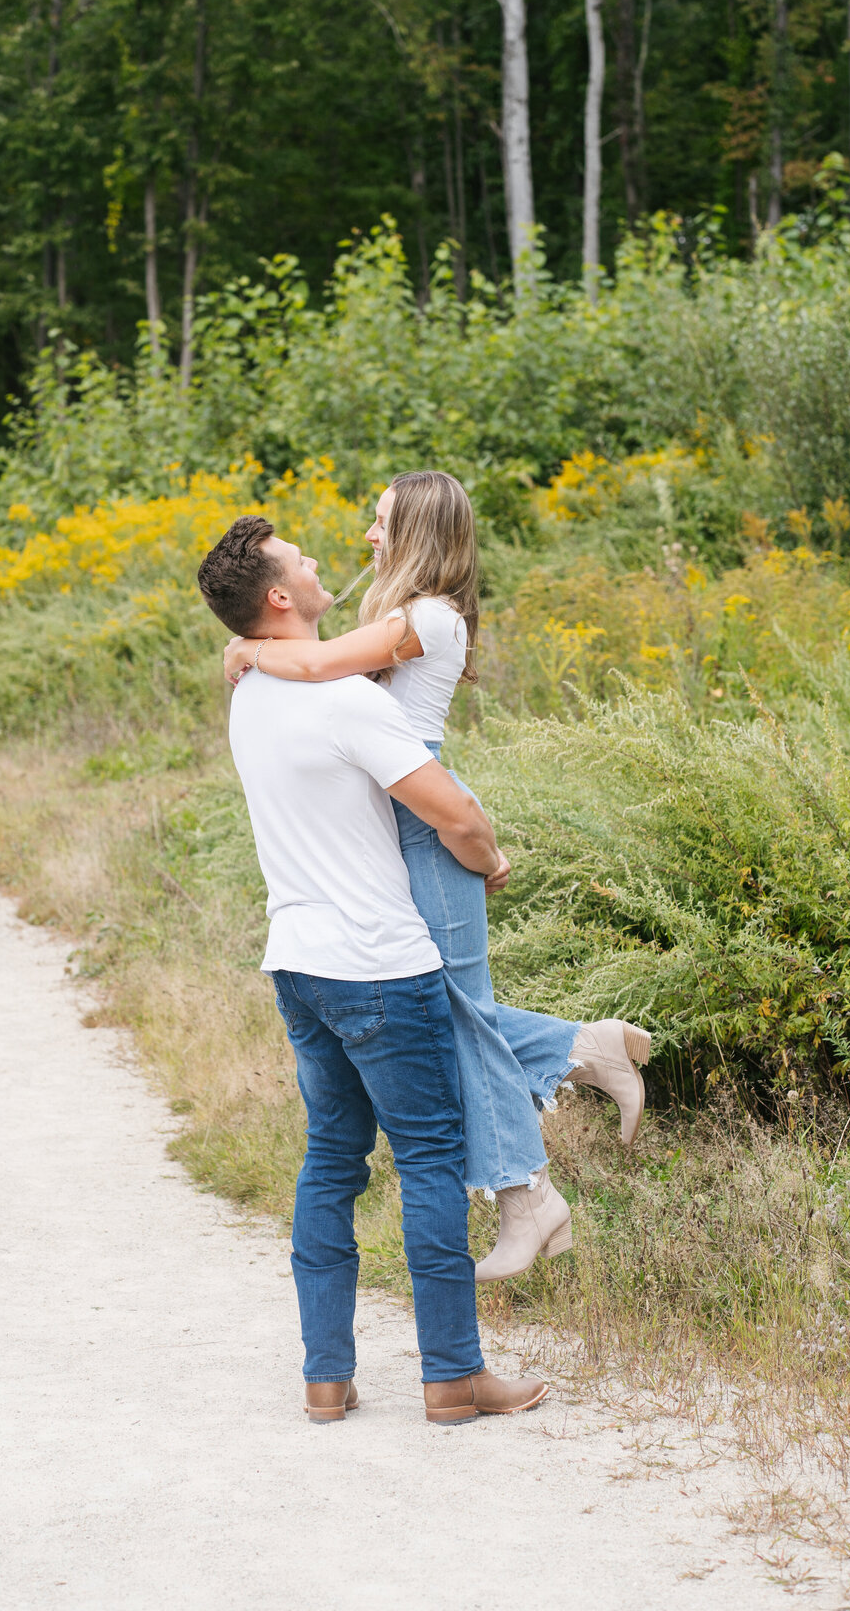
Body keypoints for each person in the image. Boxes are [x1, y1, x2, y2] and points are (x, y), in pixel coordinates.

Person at [222, 470, 651, 1283]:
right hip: (408, 814)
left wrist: (250, 646)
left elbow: (314, 671)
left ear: (418, 531)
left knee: (453, 1013)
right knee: (451, 1006)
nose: (369, 538)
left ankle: (528, 1198)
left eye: (381, 523)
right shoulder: (400, 614)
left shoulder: (427, 617)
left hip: (427, 812)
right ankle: (583, 1049)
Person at [197, 513, 548, 1425]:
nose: (322, 564)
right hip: (380, 967)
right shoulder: (349, 701)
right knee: (429, 1163)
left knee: (329, 1163)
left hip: (299, 966)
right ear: (281, 597)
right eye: (302, 562)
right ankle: (452, 1377)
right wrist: (490, 860)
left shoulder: (251, 695)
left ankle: (326, 1376)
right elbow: (455, 816)